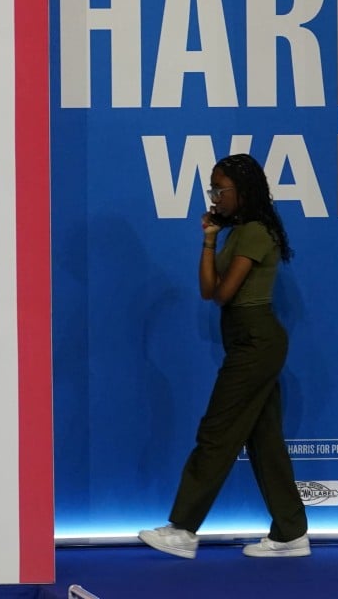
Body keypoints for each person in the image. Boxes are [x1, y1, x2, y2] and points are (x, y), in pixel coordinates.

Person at [138, 154, 310, 559]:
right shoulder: (234, 233)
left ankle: (182, 530)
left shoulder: (254, 232)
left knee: (217, 433)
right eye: (212, 189)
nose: (214, 196)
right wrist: (209, 239)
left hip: (256, 341)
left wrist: (219, 252)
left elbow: (223, 293)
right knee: (265, 441)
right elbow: (206, 289)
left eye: (221, 189)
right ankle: (290, 533)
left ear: (243, 191)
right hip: (247, 341)